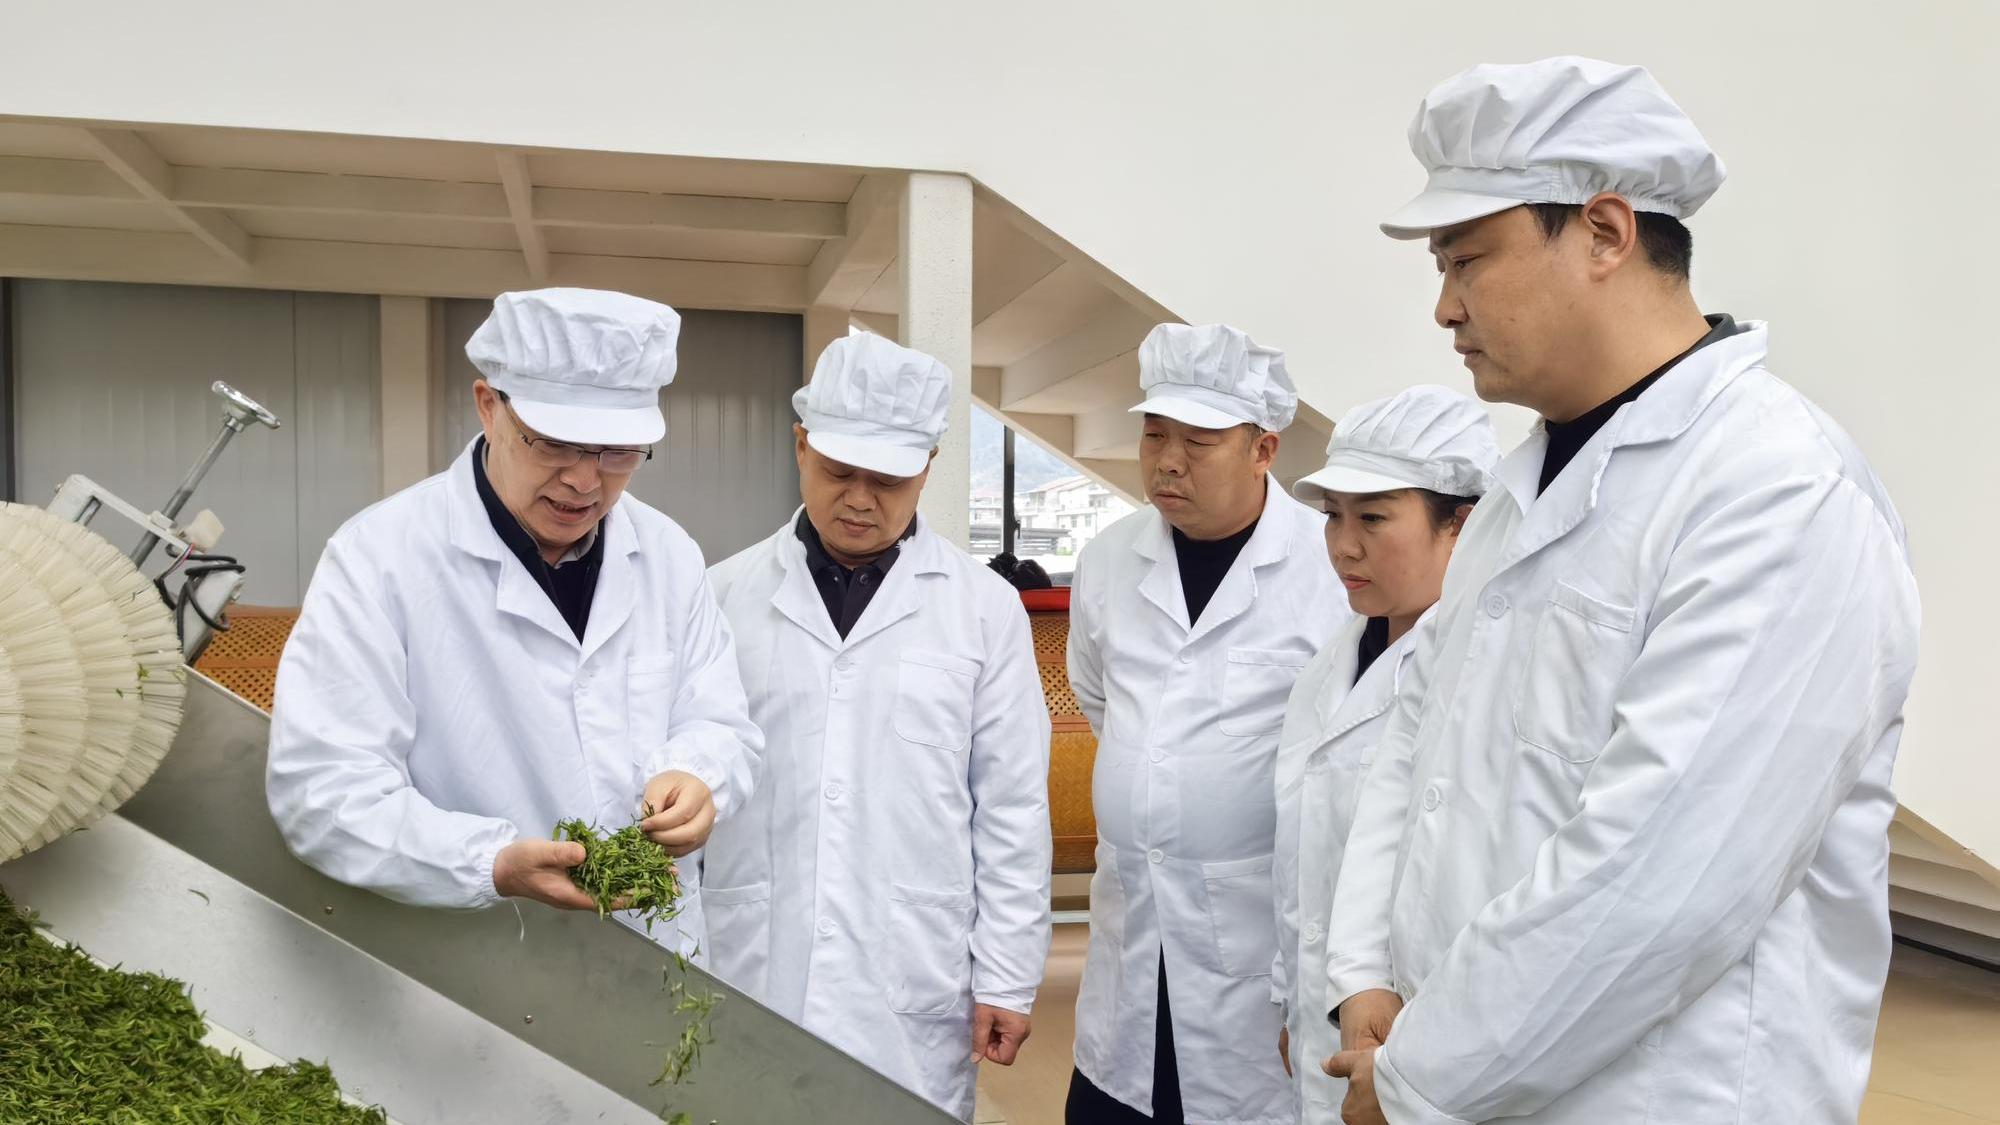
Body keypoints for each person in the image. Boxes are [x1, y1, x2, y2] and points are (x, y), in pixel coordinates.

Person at [1320, 58, 1920, 1125]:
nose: (1444, 308)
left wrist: (1420, 1078)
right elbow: (1416, 750)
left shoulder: (1776, 490)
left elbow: (1661, 881)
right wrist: (1365, 972)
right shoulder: (1516, 494)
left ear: (1602, 232)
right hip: (1453, 1063)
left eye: (1465, 261)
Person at [268, 288, 762, 959]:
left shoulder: (668, 554)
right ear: (488, 405)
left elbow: (721, 722)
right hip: (478, 968)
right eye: (554, 443)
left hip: (656, 960)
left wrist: (698, 774)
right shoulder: (379, 558)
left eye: (618, 451)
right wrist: (488, 862)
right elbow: (323, 791)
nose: (585, 480)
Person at [702, 333, 1052, 1121]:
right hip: (755, 960)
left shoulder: (983, 609)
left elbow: (1011, 806)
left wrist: (1005, 974)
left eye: (888, 478)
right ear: (801, 445)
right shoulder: (721, 596)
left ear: (928, 465)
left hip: (911, 976)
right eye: (839, 470)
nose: (860, 498)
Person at [1066, 323, 1348, 1125]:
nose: (1167, 460)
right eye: (1155, 434)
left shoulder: (1328, 568)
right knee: (1118, 1101)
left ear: (1264, 448)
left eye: (1197, 440)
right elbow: (1103, 700)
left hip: (1255, 951)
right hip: (1131, 942)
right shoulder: (1109, 559)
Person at [1270, 386, 1497, 1122]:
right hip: (1326, 1023)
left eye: (1371, 517)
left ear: (1461, 524)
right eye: (1333, 516)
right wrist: (1295, 997)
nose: (1343, 545)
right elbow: (1300, 857)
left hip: (1418, 1045)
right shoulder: (1332, 663)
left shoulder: (1483, 674)